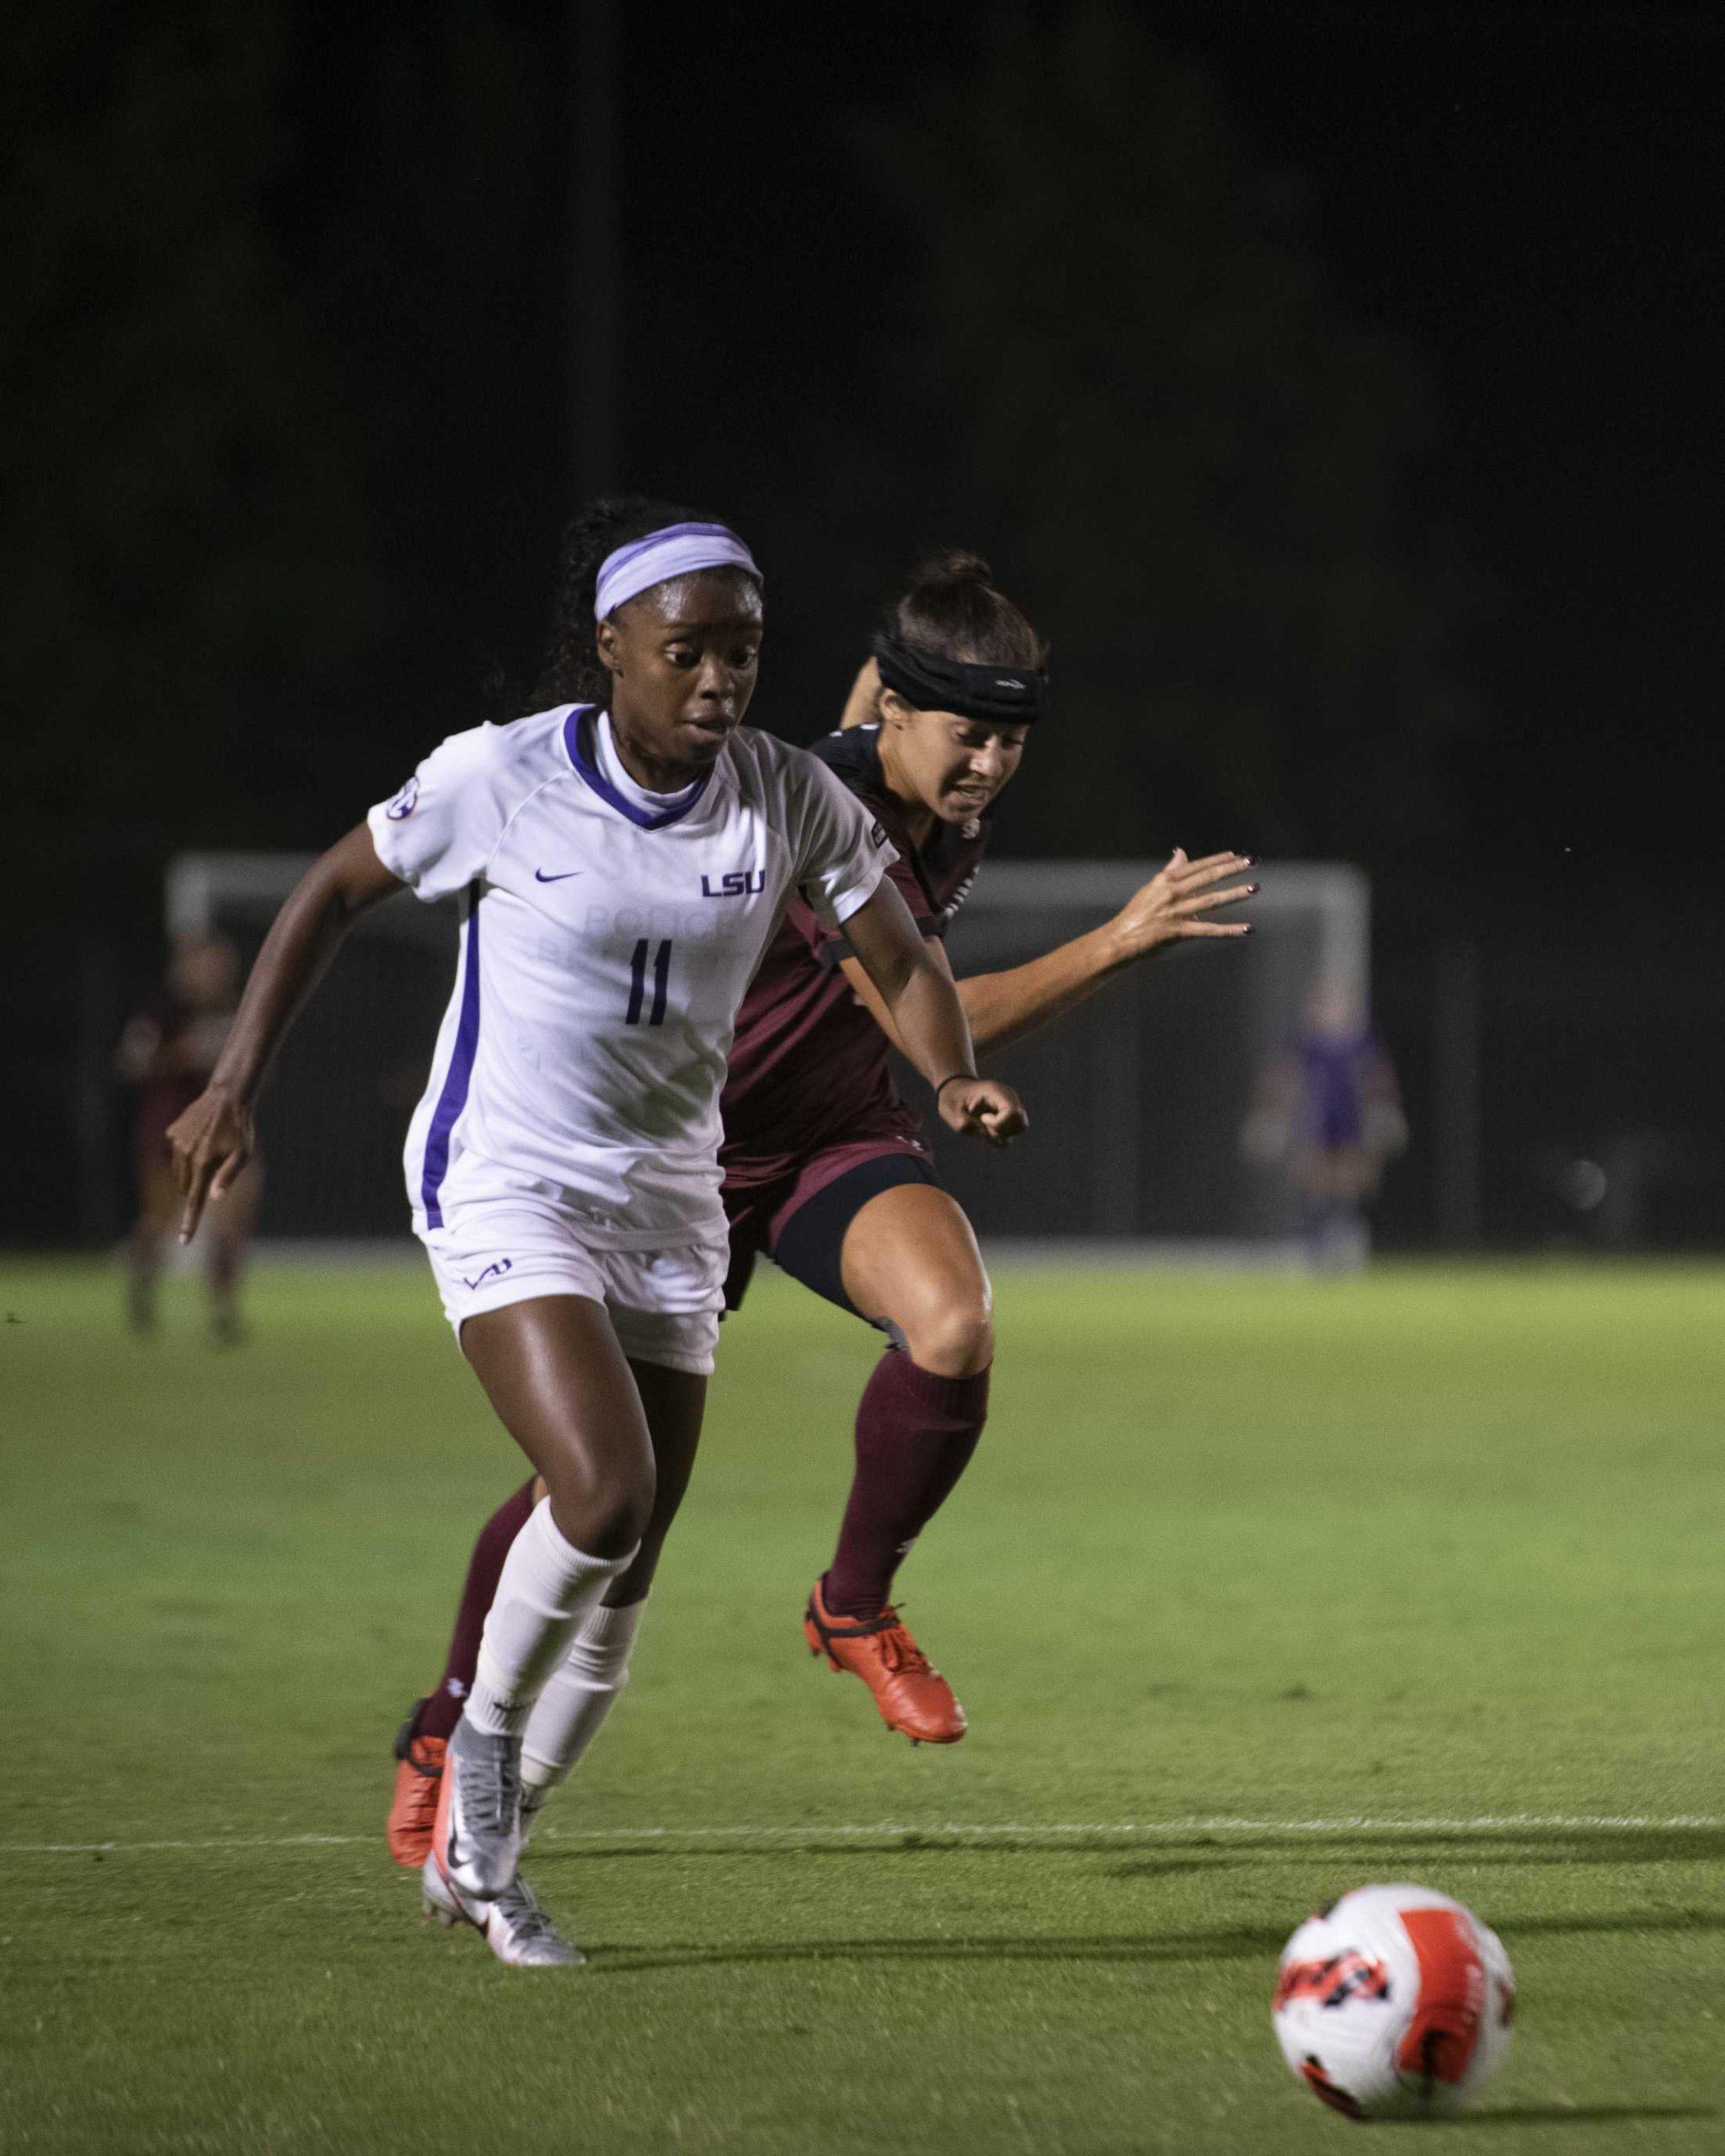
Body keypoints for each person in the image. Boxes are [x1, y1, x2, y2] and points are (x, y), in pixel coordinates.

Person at [168, 501, 1027, 1968]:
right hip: (506, 1183)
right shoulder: (499, 778)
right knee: (605, 1487)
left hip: (666, 1204)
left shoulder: (783, 797)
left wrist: (942, 1068)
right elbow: (329, 891)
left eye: (743, 654)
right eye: (685, 651)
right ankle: (481, 1798)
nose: (717, 682)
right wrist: (234, 1081)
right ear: (611, 650)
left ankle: (477, 1855)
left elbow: (897, 952)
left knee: (623, 1574)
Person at [388, 552, 1256, 1897]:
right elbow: (911, 1007)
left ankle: (853, 1600)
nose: (989, 767)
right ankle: (449, 1726)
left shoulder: (926, 784)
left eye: (1013, 742)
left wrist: (923, 668)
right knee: (609, 1500)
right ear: (900, 716)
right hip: (682, 1159)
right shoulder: (816, 804)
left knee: (954, 1319)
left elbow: (888, 754)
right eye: (970, 736)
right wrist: (1118, 941)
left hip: (826, 1142)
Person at [115, 931, 259, 1342]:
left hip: (225, 1134)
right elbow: (131, 1065)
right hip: (171, 1133)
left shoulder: (241, 1009)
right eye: (204, 964)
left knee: (230, 1226)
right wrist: (182, 1054)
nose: (212, 973)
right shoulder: (161, 1014)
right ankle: (141, 1290)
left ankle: (222, 1310)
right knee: (157, 1224)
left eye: (218, 964)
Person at [1240, 977, 1407, 1268]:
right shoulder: (1303, 1042)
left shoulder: (1361, 1041)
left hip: (1351, 1121)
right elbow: (1283, 1078)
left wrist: (1387, 1110)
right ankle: (1313, 1243)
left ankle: (1343, 1239)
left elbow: (1378, 1077)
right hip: (1315, 1122)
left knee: (1351, 1179)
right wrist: (1270, 1117)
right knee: (1315, 1178)